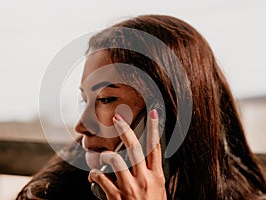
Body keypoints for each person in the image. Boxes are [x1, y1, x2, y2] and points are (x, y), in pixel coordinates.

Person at [16, 14, 266, 200]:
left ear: (167, 117)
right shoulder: (55, 192)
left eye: (105, 99)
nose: (81, 125)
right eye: (85, 99)